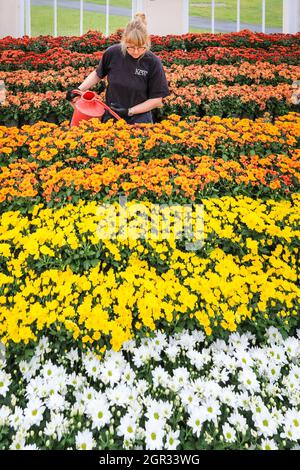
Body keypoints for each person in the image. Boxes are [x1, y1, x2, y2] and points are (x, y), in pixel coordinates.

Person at [66, 13, 170, 124]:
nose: (136, 51)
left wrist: (129, 111)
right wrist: (78, 90)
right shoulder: (113, 53)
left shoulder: (153, 62)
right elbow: (98, 74)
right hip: (111, 117)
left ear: (147, 43)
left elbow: (156, 100)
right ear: (124, 41)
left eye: (141, 48)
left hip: (140, 121)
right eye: (131, 47)